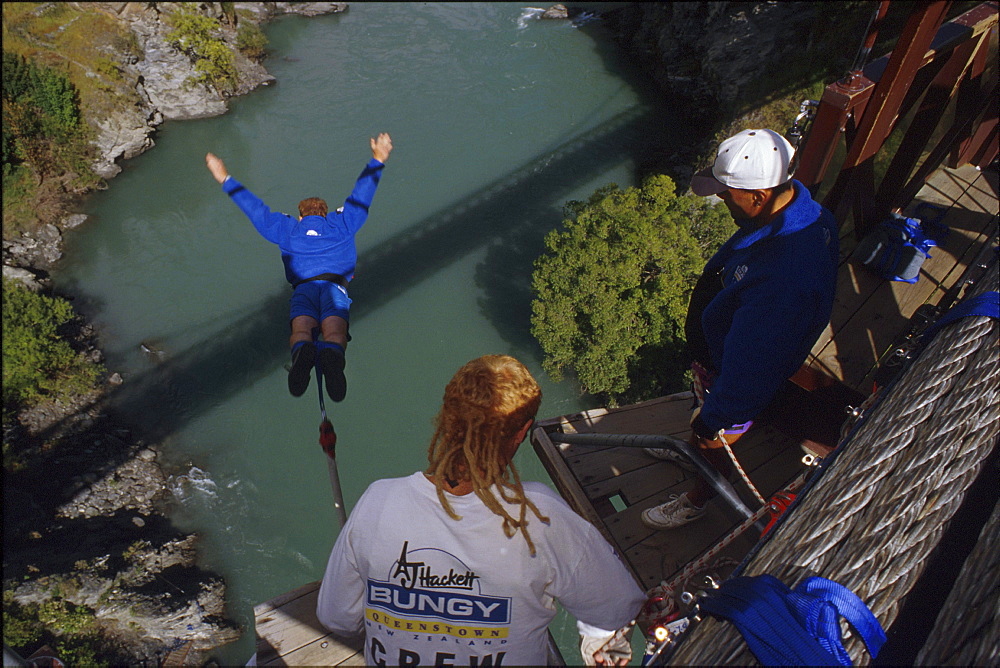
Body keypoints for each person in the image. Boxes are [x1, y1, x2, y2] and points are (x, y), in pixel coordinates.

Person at [316, 355, 646, 666]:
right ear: (521, 432)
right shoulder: (536, 516)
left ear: (446, 419)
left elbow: (337, 617)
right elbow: (616, 608)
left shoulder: (380, 500)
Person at [641, 128, 839, 530]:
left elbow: (752, 365)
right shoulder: (801, 213)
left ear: (758, 195)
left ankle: (698, 497)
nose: (720, 198)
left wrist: (717, 416)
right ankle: (695, 446)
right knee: (705, 424)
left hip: (734, 370)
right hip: (728, 346)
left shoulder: (784, 281)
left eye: (727, 192)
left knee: (714, 434)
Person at [204, 133, 393, 402]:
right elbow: (361, 196)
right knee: (335, 332)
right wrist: (378, 159)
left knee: (301, 331)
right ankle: (333, 358)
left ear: (301, 215)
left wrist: (224, 177)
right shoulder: (343, 224)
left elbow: (255, 209)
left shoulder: (287, 230)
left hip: (304, 289)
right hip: (334, 287)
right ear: (325, 213)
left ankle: (302, 351)